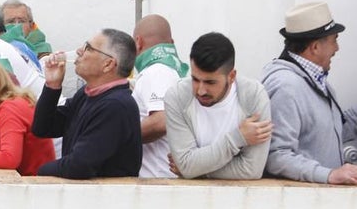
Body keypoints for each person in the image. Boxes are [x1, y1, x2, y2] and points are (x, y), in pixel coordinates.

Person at [261, 1, 357, 184]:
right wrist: (329, 175)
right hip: (302, 200)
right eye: (334, 40)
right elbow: (276, 156)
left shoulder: (316, 82)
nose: (337, 48)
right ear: (315, 47)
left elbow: (328, 134)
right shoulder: (286, 87)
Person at [34, 29, 142, 178]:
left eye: (88, 48)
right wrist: (52, 86)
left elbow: (79, 165)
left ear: (108, 64)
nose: (79, 51)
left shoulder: (116, 106)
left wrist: (40, 171)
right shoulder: (87, 94)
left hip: (109, 193)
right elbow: (43, 128)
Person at [165, 32, 272, 180]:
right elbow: (186, 165)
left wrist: (196, 170)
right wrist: (237, 138)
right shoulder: (177, 97)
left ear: (232, 76)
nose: (201, 90)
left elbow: (251, 170)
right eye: (195, 79)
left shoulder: (254, 96)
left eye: (210, 82)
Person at [131, 14, 189, 178]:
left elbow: (161, 121)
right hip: (163, 177)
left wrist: (119, 137)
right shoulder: (172, 71)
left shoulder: (157, 71)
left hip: (157, 179)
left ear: (138, 42)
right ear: (172, 43)